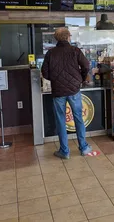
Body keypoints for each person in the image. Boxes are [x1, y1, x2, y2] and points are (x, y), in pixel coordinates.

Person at [41, 27, 92, 159]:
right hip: (74, 90)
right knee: (78, 118)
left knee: (60, 120)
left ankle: (64, 151)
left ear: (56, 38)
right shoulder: (75, 50)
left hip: (58, 92)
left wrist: (56, 79)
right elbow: (86, 65)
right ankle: (84, 148)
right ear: (69, 37)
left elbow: (44, 72)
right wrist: (80, 78)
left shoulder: (50, 53)